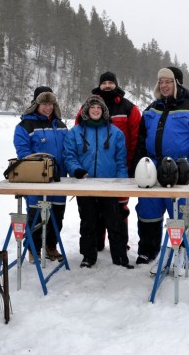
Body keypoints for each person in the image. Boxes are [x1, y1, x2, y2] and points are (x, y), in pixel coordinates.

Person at [131, 67, 189, 267]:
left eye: (168, 81)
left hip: (182, 168)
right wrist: (137, 165)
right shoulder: (152, 108)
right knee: (147, 210)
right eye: (161, 82)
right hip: (151, 166)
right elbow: (141, 141)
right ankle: (148, 251)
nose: (164, 85)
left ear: (177, 83)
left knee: (183, 212)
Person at [75, 71, 142, 251]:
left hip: (121, 167)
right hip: (91, 169)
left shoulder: (129, 108)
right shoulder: (87, 106)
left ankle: (120, 244)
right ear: (99, 85)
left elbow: (138, 138)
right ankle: (97, 243)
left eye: (110, 83)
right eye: (104, 82)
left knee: (119, 208)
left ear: (116, 85)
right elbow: (77, 134)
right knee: (94, 207)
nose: (107, 86)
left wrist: (133, 164)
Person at [64, 96, 133, 269]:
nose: (95, 110)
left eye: (99, 108)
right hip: (84, 184)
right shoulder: (75, 132)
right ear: (86, 111)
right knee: (88, 222)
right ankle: (88, 256)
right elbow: (69, 156)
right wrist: (76, 170)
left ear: (104, 111)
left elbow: (120, 160)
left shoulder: (115, 133)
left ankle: (120, 257)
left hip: (109, 186)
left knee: (114, 222)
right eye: (92, 107)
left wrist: (121, 183)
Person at [14, 86, 68, 263]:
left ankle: (51, 246)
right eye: (44, 103)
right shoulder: (24, 126)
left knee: (57, 215)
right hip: (36, 179)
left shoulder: (60, 125)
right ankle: (33, 249)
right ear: (36, 104)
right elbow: (23, 153)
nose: (48, 107)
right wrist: (41, 168)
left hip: (58, 179)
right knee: (36, 215)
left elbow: (68, 151)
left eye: (51, 103)